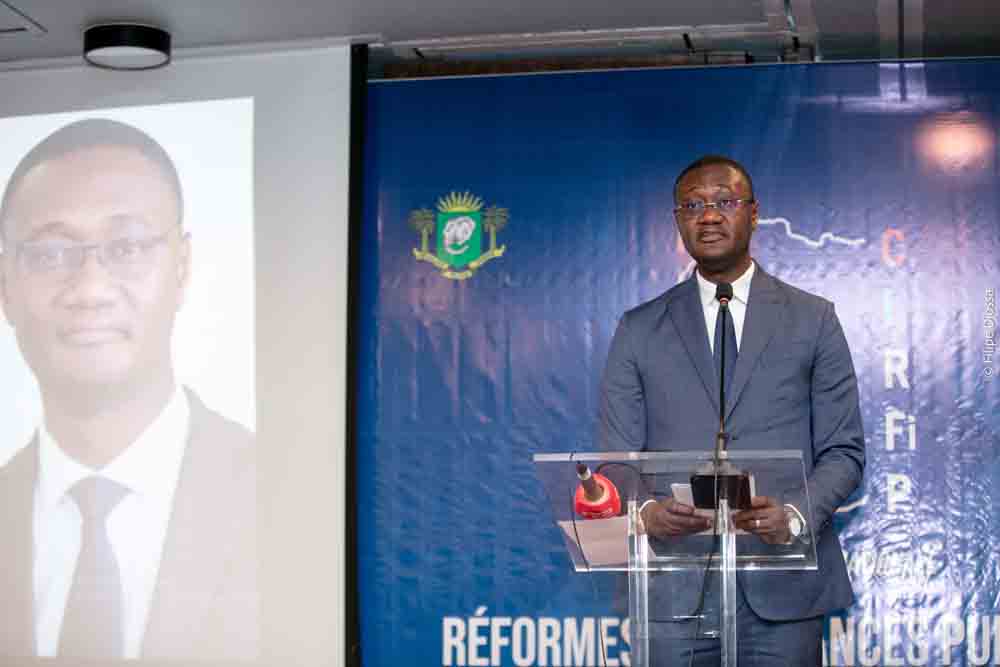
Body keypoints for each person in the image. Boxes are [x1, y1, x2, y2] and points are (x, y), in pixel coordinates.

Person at [0, 119, 257, 660]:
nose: (89, 289)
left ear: (181, 268)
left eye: (128, 247)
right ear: (6, 284)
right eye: (50, 254)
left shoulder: (282, 490)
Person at [598, 155, 865, 665]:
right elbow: (616, 458)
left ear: (753, 212)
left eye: (725, 201)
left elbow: (845, 452)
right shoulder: (638, 329)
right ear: (679, 219)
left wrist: (792, 515)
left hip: (784, 589)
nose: (710, 215)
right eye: (693, 205)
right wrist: (646, 510)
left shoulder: (814, 320)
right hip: (671, 591)